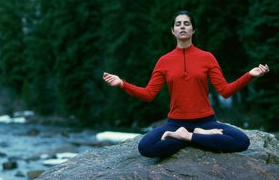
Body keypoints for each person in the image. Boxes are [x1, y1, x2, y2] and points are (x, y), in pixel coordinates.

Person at [102, 10, 269, 158]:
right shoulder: (164, 61)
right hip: (175, 123)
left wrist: (249, 75)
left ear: (193, 30)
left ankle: (188, 136)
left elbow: (225, 91)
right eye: (178, 24)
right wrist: (122, 83)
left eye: (187, 24)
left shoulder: (207, 57)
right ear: (173, 31)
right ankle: (199, 137)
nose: (182, 27)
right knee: (146, 147)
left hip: (206, 122)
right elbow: (148, 94)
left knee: (241, 141)